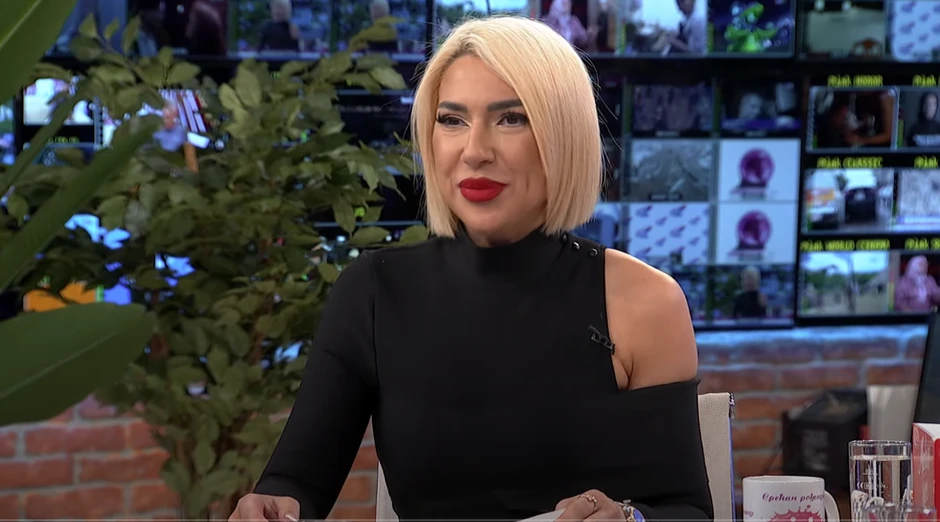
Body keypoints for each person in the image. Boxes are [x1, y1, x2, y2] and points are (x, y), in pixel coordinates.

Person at [229, 16, 713, 522]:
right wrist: (273, 505)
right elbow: (296, 483)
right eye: (452, 120)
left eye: (511, 119)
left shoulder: (645, 302)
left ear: (563, 135)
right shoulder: (373, 291)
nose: (475, 151)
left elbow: (689, 512)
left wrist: (631, 520)